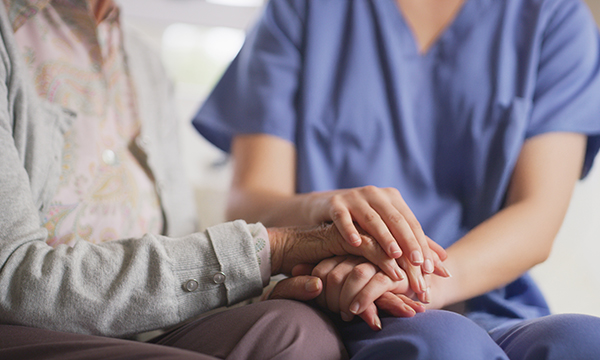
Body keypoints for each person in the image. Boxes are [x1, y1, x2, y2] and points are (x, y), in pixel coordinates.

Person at [0, 1, 420, 359]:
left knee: (296, 331)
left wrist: (307, 281)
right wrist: (275, 248)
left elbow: (180, 243)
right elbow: (13, 282)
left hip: (143, 327)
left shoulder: (142, 62)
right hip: (26, 328)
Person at [193, 0, 600, 358]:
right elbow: (249, 204)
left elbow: (537, 216)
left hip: (484, 299)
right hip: (342, 297)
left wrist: (422, 284)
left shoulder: (554, 17)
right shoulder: (301, 8)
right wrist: (323, 212)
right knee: (442, 346)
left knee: (584, 340)